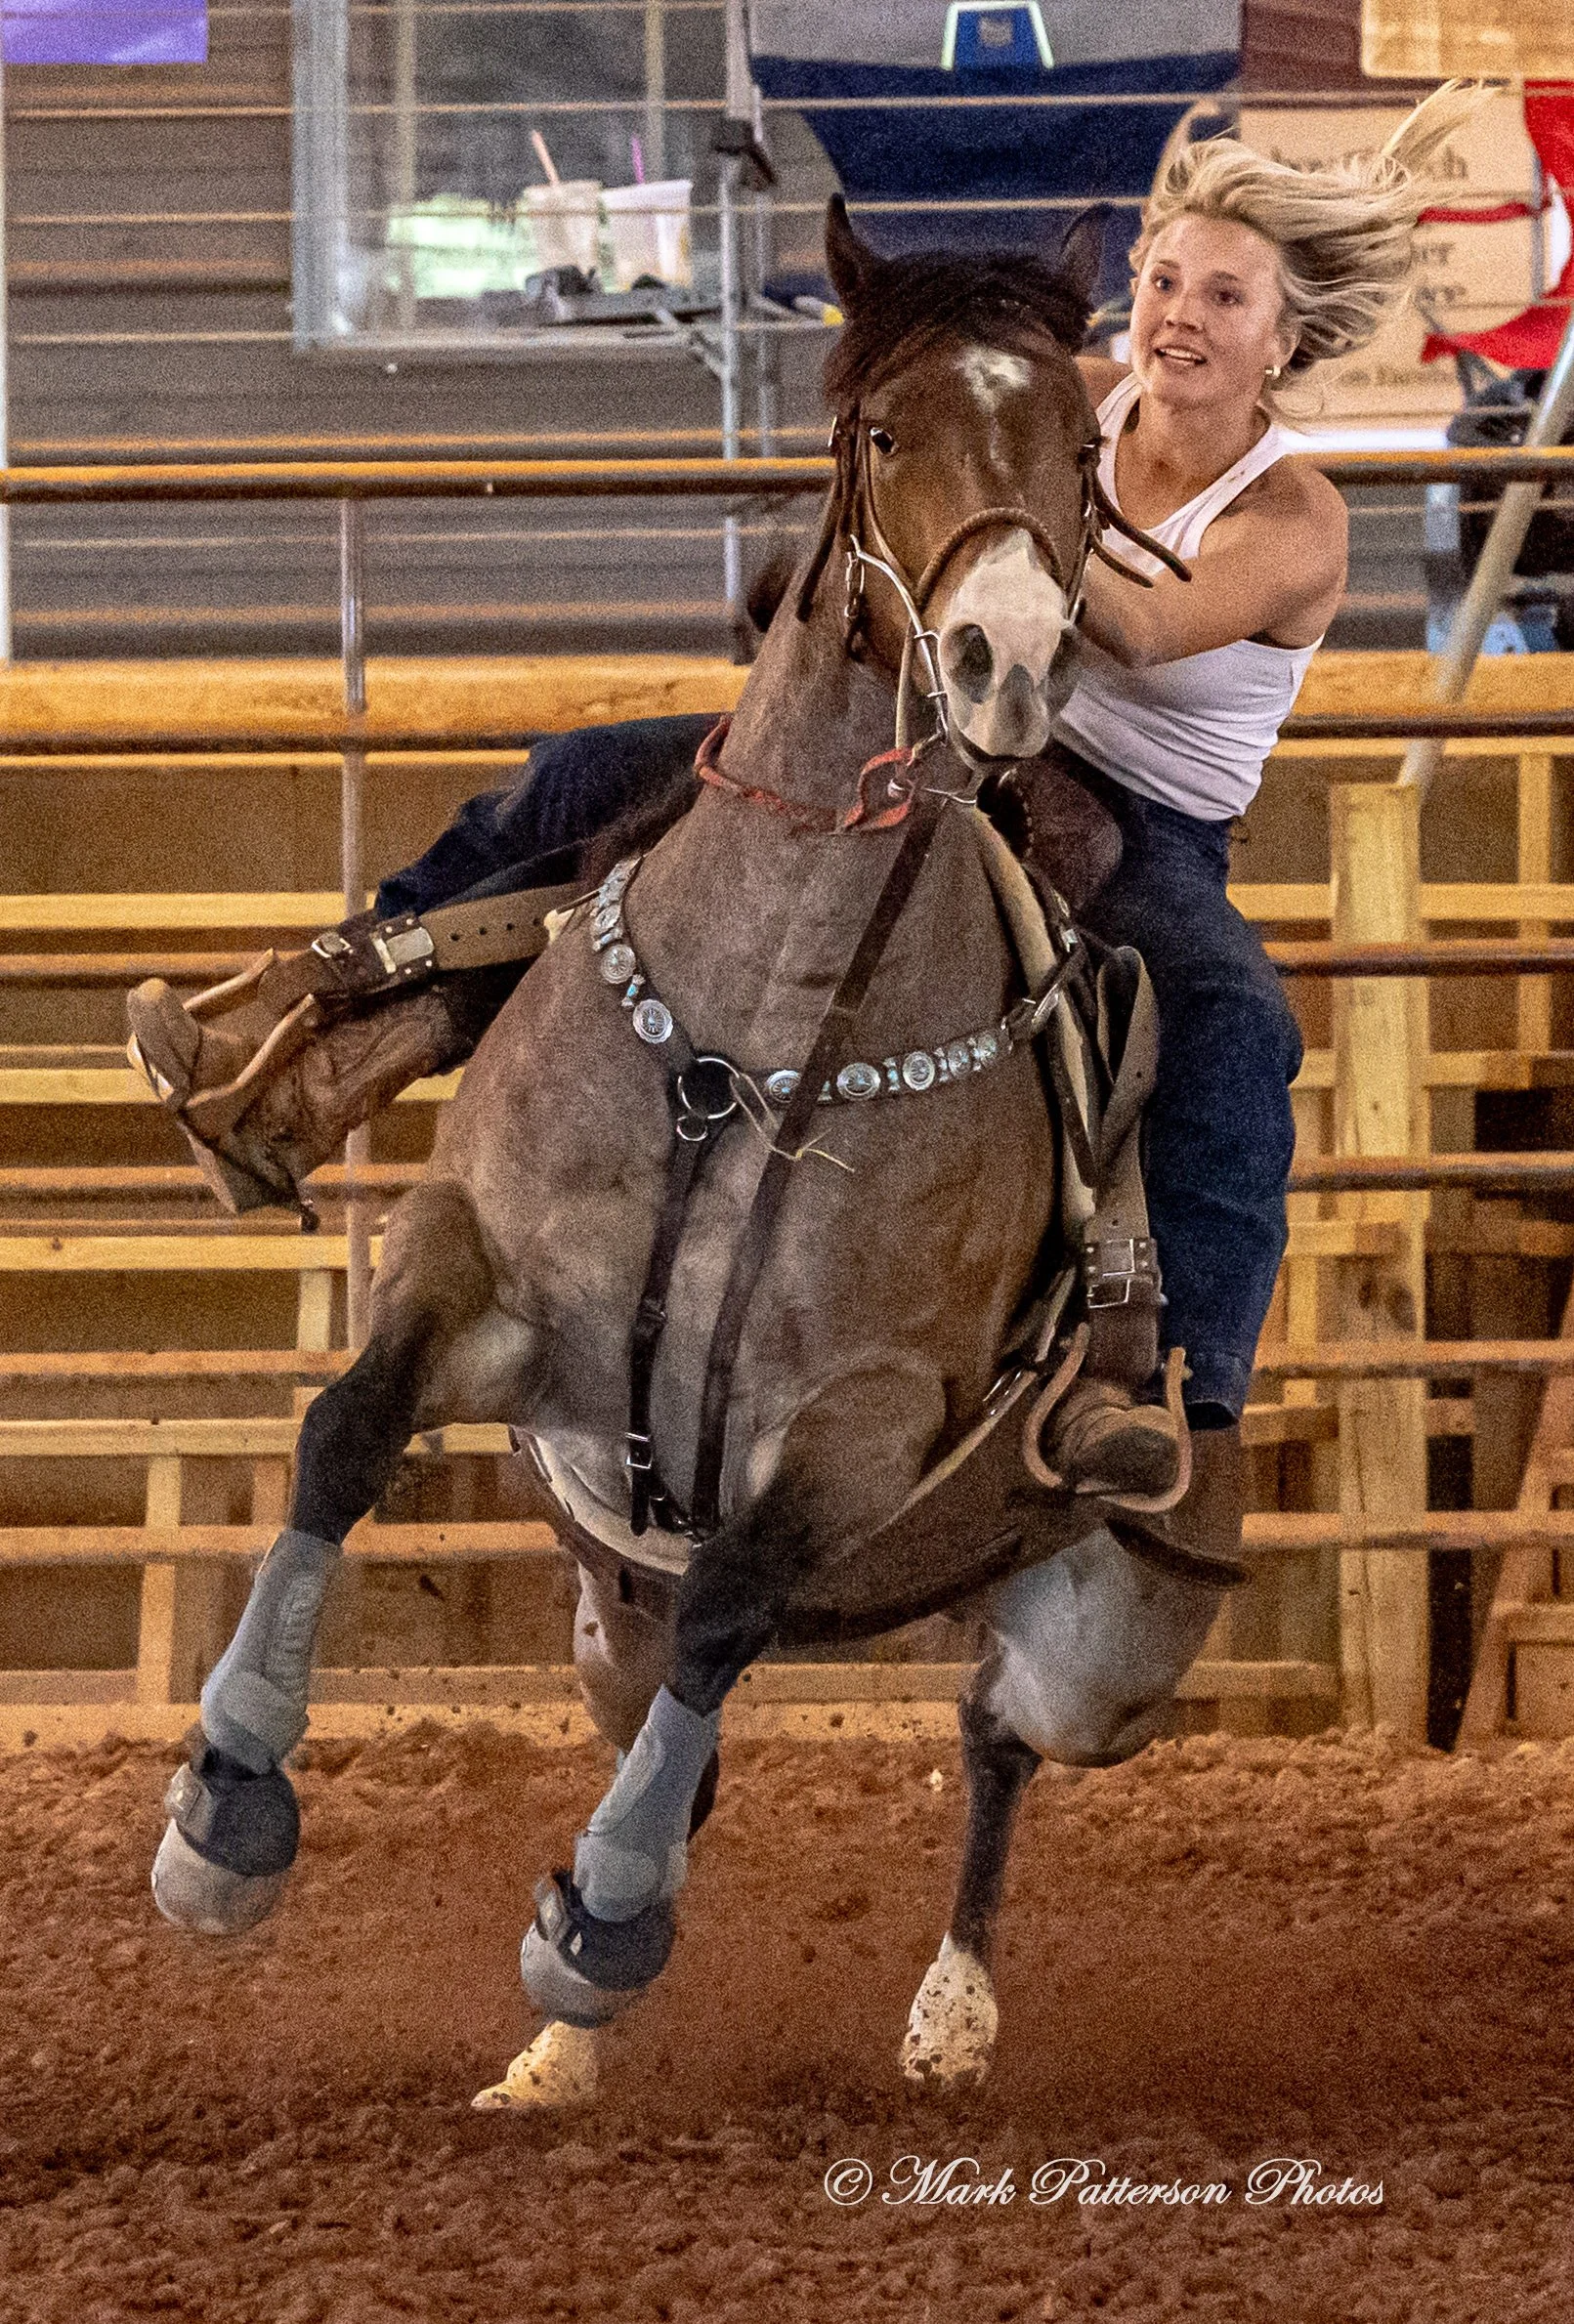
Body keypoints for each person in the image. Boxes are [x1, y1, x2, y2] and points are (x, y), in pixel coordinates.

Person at [127, 82, 1477, 1495]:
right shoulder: (1060, 401)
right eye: (1158, 281)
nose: (1177, 314)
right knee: (594, 779)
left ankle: (1175, 1385)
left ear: (1286, 334)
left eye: (1223, 294)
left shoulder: (1292, 514)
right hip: (936, 732)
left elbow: (1132, 627)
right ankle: (312, 1023)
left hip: (1131, 815)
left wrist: (982, 524)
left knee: (1230, 1023)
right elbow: (923, 461)